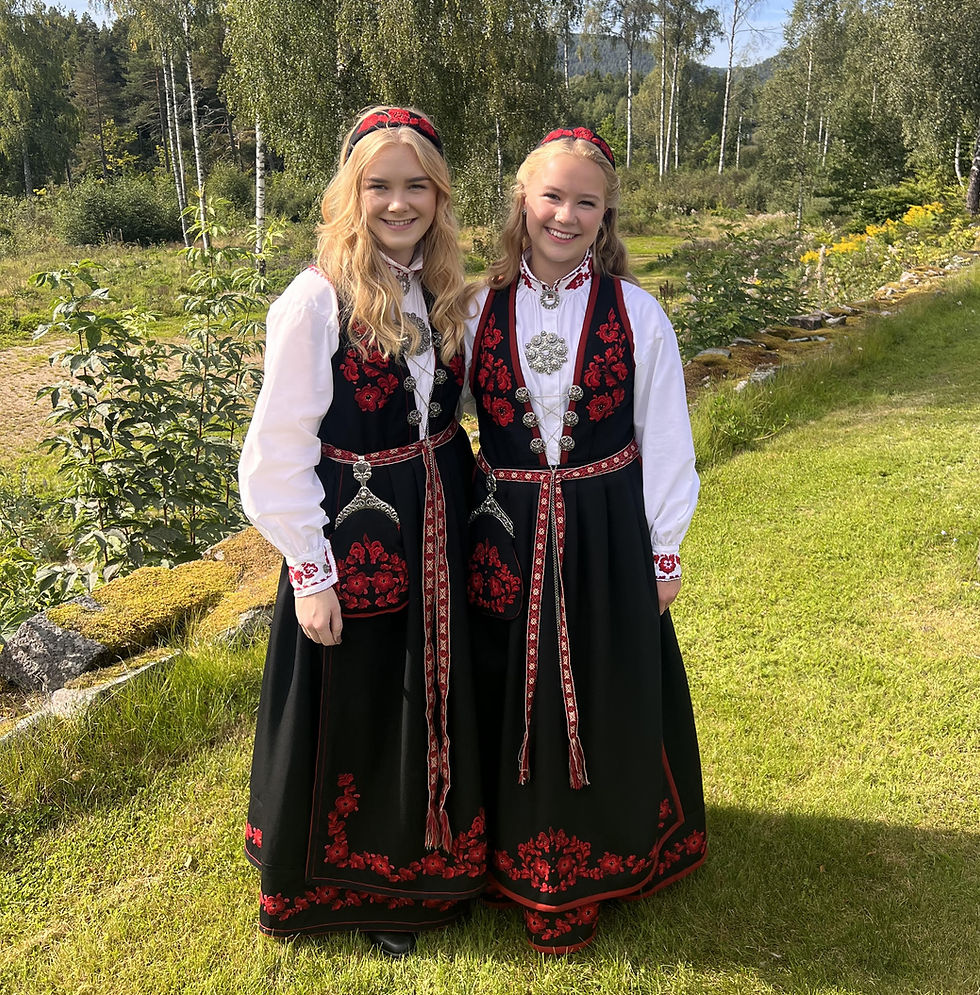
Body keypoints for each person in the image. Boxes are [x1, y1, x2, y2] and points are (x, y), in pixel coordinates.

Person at [238, 106, 486, 958]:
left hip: (441, 512)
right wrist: (311, 572)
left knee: (435, 684)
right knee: (371, 693)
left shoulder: (445, 286)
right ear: (350, 191)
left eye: (417, 184)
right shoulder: (316, 298)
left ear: (440, 195)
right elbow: (274, 452)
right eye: (378, 184)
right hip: (358, 524)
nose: (398, 201)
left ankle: (433, 855)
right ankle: (365, 878)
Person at [465, 127, 706, 954]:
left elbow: (666, 436)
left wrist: (663, 550)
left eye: (585, 202)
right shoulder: (473, 309)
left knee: (603, 682)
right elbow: (427, 414)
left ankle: (607, 850)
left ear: (605, 218)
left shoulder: (638, 313)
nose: (565, 215)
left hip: (604, 532)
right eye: (551, 197)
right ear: (522, 204)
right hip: (505, 532)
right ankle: (507, 856)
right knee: (509, 689)